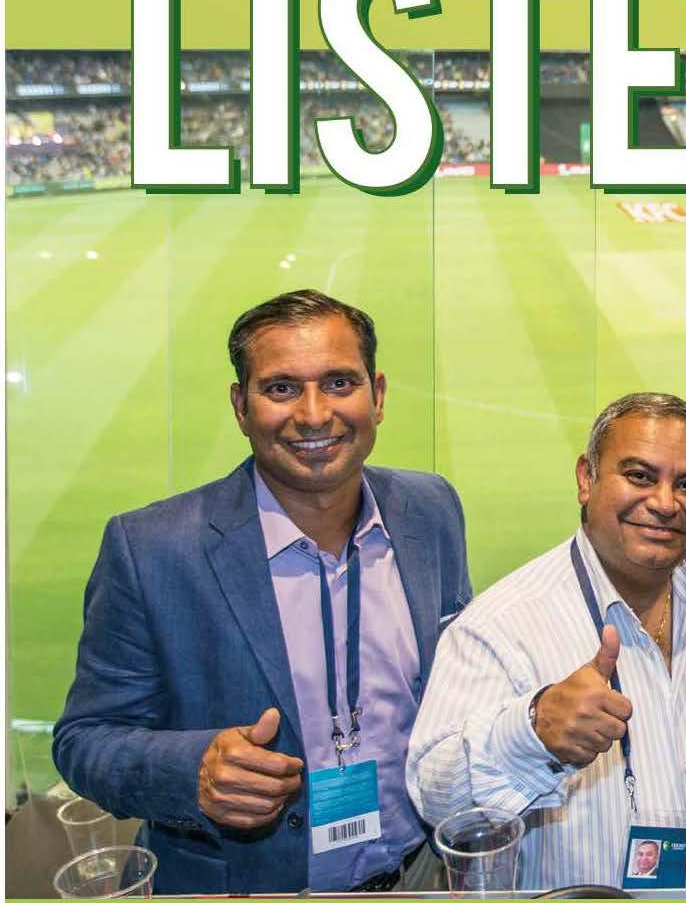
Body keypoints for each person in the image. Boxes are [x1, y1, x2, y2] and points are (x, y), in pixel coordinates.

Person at [52, 290, 472, 894]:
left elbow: (457, 680)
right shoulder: (151, 549)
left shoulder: (430, 509)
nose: (314, 414)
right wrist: (194, 772)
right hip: (249, 887)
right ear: (240, 406)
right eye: (281, 388)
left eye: (339, 383)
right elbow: (86, 739)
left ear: (377, 396)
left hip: (420, 871)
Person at [406, 393, 686, 890]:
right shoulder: (500, 625)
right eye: (639, 476)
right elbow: (434, 797)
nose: (665, 503)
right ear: (585, 478)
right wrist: (532, 731)